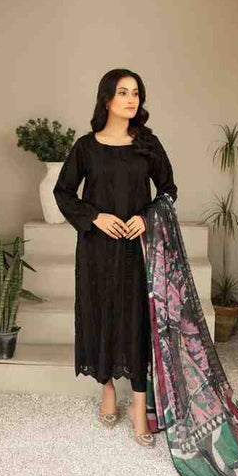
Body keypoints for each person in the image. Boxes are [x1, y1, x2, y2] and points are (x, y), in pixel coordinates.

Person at [53, 68, 178, 447]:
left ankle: (139, 406)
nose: (131, 99)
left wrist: (146, 217)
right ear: (106, 99)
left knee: (136, 318)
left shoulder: (148, 144)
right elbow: (63, 193)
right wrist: (95, 217)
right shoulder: (85, 147)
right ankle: (106, 388)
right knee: (100, 312)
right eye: (123, 92)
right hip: (97, 248)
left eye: (136, 93)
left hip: (137, 249)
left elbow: (168, 190)